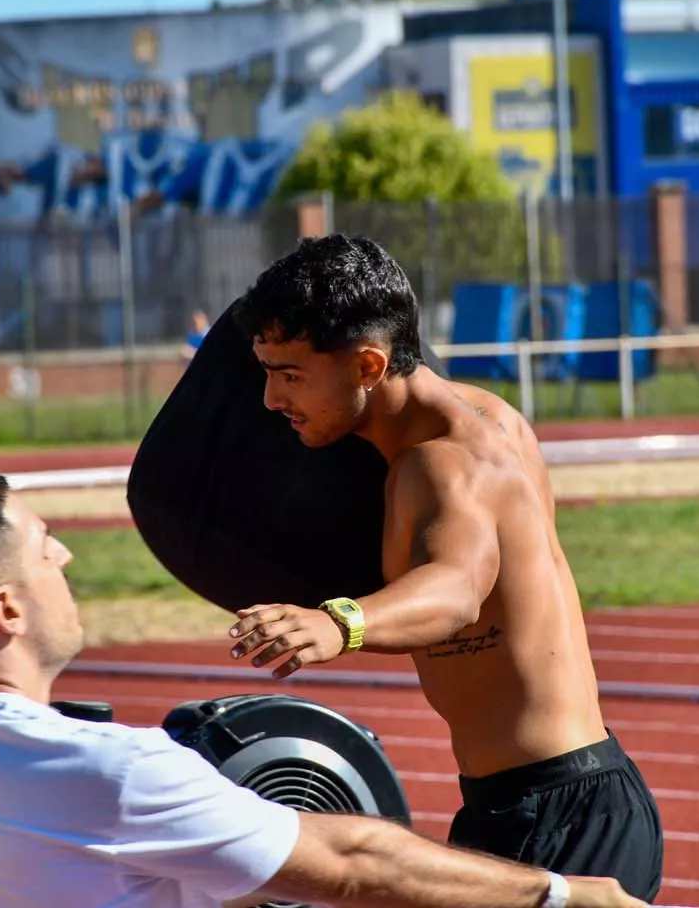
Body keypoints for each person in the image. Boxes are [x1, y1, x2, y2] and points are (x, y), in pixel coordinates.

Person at [0, 467, 649, 908]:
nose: (63, 561)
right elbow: (351, 859)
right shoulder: (114, 772)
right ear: (7, 608)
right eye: (45, 547)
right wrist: (564, 896)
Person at [224, 234, 665, 901]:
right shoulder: (491, 415)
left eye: (289, 375)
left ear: (369, 366)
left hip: (555, 815)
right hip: (548, 798)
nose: (269, 399)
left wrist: (339, 623)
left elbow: (458, 588)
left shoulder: (441, 463)